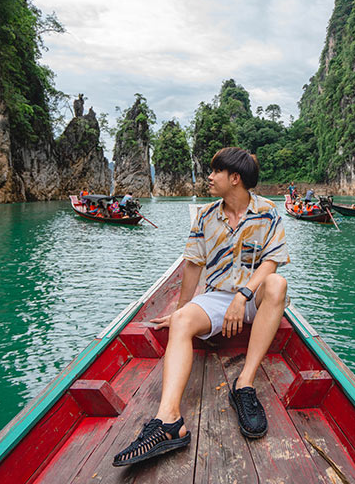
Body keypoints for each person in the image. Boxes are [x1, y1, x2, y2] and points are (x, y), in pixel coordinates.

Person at [113, 147, 289, 467]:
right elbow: (193, 265)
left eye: (216, 171)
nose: (209, 177)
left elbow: (272, 262)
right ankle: (169, 421)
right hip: (218, 296)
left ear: (234, 178)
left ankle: (244, 384)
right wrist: (180, 311)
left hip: (254, 295)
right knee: (182, 321)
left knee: (278, 283)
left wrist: (243, 296)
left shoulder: (268, 212)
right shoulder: (206, 216)